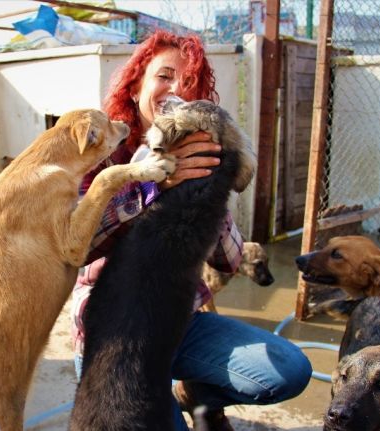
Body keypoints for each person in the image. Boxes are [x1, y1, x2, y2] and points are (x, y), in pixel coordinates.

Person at [70, 29, 312, 430]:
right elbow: (75, 247)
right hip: (113, 332)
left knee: (290, 370)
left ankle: (190, 392)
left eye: (187, 84)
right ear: (135, 86)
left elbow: (229, 261)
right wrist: (152, 184)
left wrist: (206, 186)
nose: (174, 90)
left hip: (177, 321)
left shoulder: (203, 154)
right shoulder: (98, 152)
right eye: (164, 76)